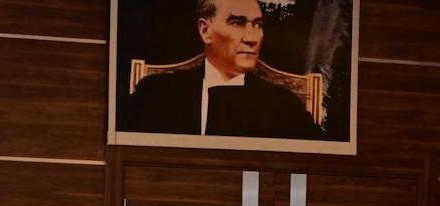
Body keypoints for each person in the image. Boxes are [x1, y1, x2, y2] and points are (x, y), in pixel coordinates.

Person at [121, 0, 326, 139]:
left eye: (257, 24)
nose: (252, 38)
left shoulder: (283, 106)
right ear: (205, 30)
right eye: (237, 23)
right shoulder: (155, 95)